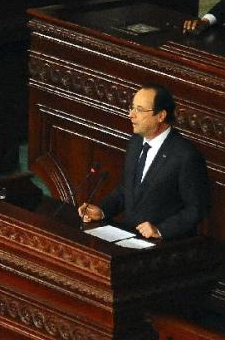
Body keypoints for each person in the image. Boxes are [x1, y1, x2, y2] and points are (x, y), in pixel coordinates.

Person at [78, 84, 210, 240]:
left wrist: (160, 230)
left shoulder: (185, 155)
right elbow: (127, 189)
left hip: (164, 246)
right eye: (132, 108)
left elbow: (196, 209)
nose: (131, 115)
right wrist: (102, 211)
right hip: (130, 239)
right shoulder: (135, 143)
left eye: (139, 110)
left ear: (160, 116)